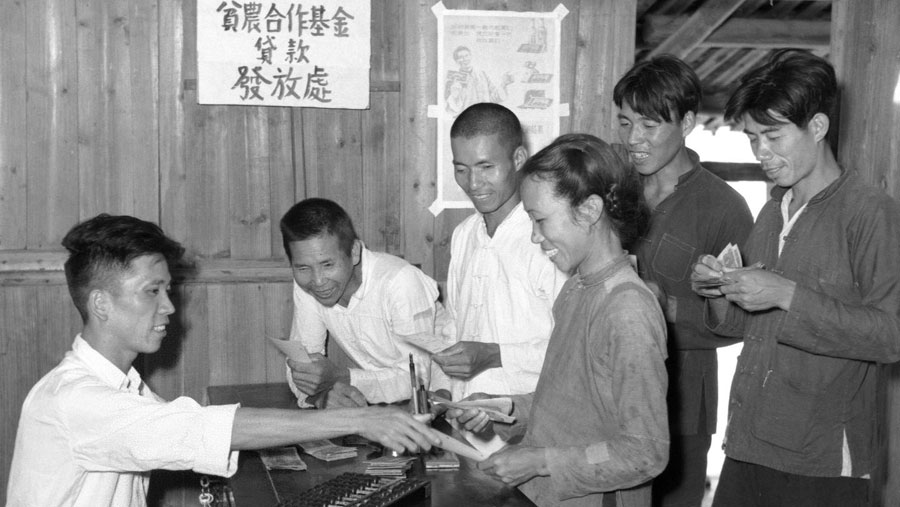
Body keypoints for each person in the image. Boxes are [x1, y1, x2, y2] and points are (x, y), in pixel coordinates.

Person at [5, 214, 441, 507]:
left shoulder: (123, 387)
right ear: (100, 304)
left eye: (167, 290)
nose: (169, 307)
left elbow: (192, 429)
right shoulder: (74, 399)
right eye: (152, 292)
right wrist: (362, 419)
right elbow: (200, 429)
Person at [691, 50, 900, 507]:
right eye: (752, 138)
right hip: (746, 444)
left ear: (818, 127)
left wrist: (788, 295)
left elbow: (891, 336)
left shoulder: (870, 213)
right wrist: (720, 290)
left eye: (773, 135)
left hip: (819, 461)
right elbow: (744, 325)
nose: (761, 152)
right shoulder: (773, 210)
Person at [451, 133, 669, 507]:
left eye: (540, 220)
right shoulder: (576, 288)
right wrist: (506, 408)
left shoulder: (627, 310)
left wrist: (540, 461)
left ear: (590, 210)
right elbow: (570, 404)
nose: (535, 237)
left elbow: (645, 452)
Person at [613, 55, 754, 507]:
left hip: (682, 404)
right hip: (606, 389)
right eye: (625, 122)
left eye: (649, 124)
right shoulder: (611, 190)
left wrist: (669, 308)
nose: (633, 139)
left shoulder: (724, 207)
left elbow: (743, 322)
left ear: (688, 122)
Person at [432, 103, 565, 408]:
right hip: (465, 415)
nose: (473, 184)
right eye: (461, 169)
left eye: (486, 167)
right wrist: (442, 392)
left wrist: (495, 354)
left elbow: (573, 347)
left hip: (534, 418)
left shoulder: (547, 237)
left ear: (518, 159)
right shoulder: (464, 235)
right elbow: (453, 326)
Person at [281, 198, 442, 408]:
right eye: (302, 268)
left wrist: (342, 377)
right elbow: (300, 364)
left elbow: (416, 380)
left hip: (449, 398)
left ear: (354, 252)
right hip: (387, 405)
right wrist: (319, 398)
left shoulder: (400, 281)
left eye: (327, 264)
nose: (318, 281)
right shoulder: (307, 283)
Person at [445, 46, 514, 116]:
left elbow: (494, 98)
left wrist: (504, 83)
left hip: (486, 116)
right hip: (467, 118)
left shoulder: (482, 75)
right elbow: (450, 110)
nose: (465, 59)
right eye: (461, 57)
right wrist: (454, 96)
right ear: (456, 61)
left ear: (471, 56)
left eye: (467, 56)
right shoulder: (452, 80)